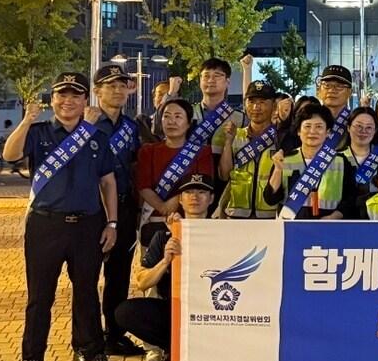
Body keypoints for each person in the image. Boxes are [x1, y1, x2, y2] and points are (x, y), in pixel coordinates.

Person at [3, 73, 121, 361]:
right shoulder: (39, 132)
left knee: (86, 293)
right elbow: (10, 154)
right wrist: (27, 120)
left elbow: (107, 181)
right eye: (61, 95)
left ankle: (91, 352)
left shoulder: (95, 137)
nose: (67, 101)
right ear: (53, 99)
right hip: (46, 225)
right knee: (40, 297)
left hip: (87, 225)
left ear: (85, 101)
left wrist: (112, 223)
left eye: (75, 95)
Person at [114, 171, 217, 361]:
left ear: (211, 199)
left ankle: (209, 353)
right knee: (125, 312)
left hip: (213, 310)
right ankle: (174, 349)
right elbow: (142, 282)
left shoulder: (222, 234)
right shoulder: (163, 237)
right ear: (180, 199)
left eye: (201, 192)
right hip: (175, 308)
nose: (194, 197)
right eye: (189, 193)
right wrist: (165, 261)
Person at [90, 63, 145, 357]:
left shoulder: (131, 127)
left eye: (123, 85)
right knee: (87, 277)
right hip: (91, 211)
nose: (118, 90)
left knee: (119, 275)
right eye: (111, 85)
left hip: (123, 209)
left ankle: (114, 335)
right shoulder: (87, 125)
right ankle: (88, 340)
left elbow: (136, 165)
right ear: (97, 91)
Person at [135, 99, 216, 244]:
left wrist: (174, 203)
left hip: (190, 222)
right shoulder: (148, 151)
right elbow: (143, 186)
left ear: (189, 123)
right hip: (154, 221)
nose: (171, 121)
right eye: (167, 116)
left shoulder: (201, 152)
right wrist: (163, 207)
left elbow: (203, 184)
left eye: (178, 116)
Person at [268, 105, 359, 219]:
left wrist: (333, 217)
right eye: (307, 126)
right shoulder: (285, 159)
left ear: (328, 132)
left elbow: (351, 199)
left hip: (328, 227)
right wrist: (277, 170)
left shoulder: (341, 161)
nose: (312, 132)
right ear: (298, 131)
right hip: (291, 227)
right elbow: (270, 199)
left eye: (319, 127)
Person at [216, 80, 281, 219]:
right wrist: (228, 142)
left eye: (262, 102)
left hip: (270, 216)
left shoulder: (281, 138)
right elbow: (224, 175)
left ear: (274, 106)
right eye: (251, 102)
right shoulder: (235, 135)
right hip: (235, 215)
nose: (256, 107)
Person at [314, 64, 355, 130]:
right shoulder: (309, 120)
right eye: (327, 85)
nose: (331, 90)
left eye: (339, 86)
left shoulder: (356, 122)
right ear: (319, 90)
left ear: (350, 92)